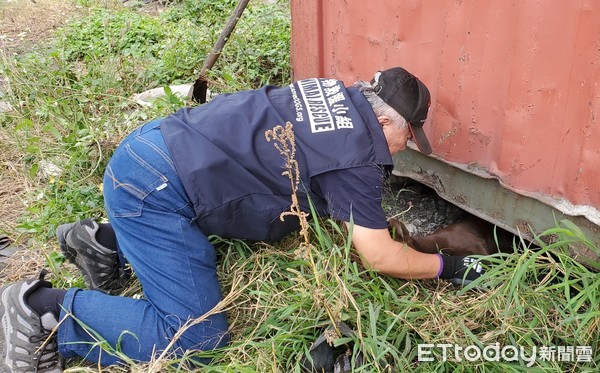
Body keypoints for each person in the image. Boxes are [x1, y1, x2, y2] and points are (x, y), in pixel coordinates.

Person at [0, 67, 487, 371]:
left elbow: (308, 185)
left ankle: (107, 243)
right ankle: (47, 314)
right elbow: (378, 257)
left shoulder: (331, 93)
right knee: (196, 338)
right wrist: (449, 268)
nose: (402, 150)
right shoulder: (359, 149)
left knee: (280, 214)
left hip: (150, 150)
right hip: (156, 191)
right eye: (406, 137)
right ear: (383, 123)